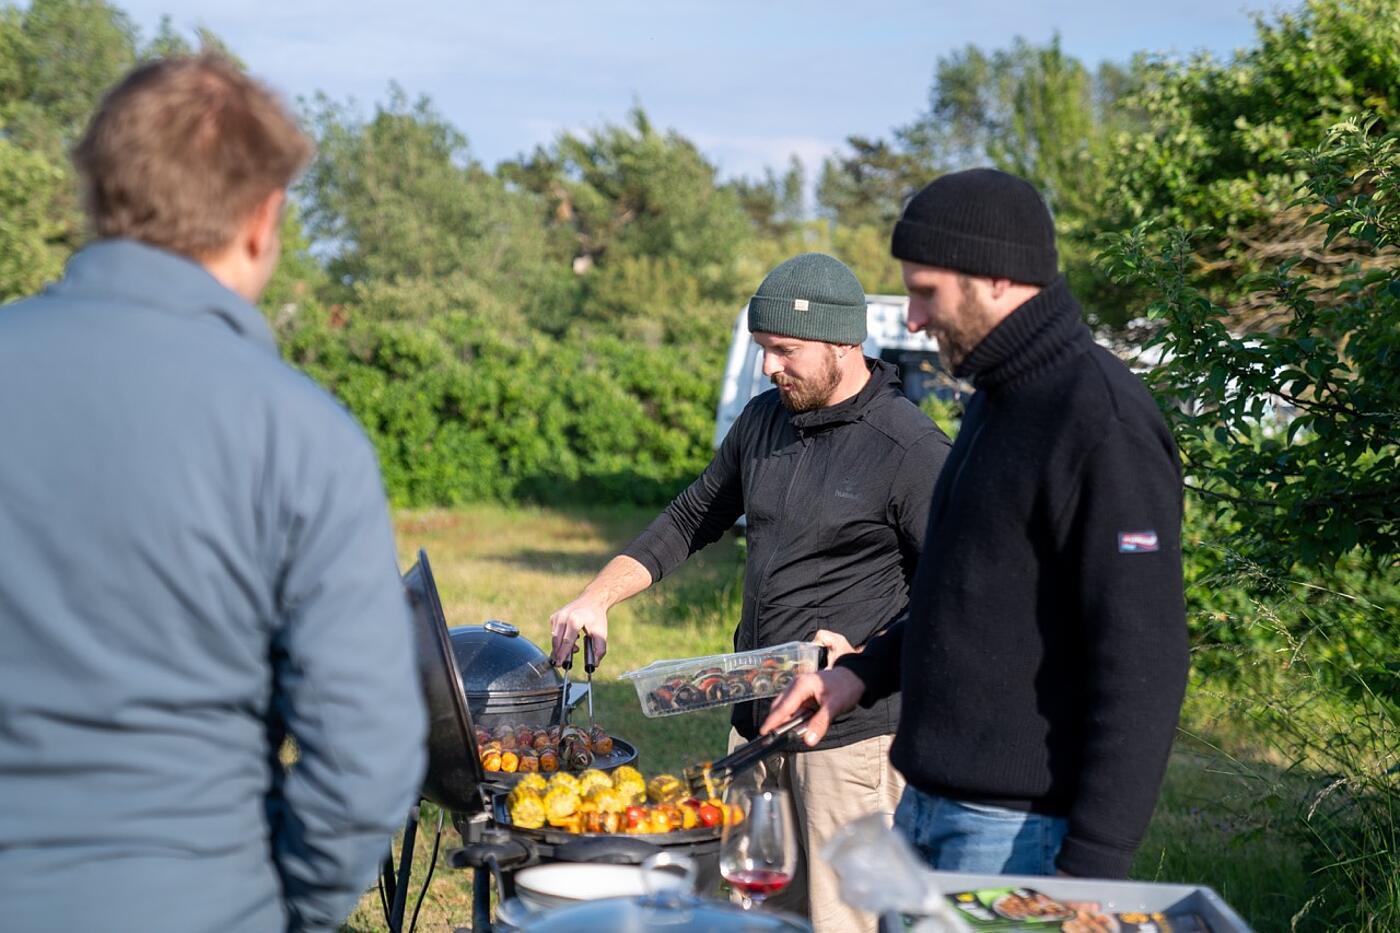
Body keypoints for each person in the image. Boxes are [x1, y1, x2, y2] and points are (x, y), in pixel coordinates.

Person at [0, 55, 426, 932]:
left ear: (99, 196)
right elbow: (367, 757)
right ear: (263, 216)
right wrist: (275, 906)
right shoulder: (303, 435)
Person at [764, 168, 1190, 881]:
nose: (915, 319)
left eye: (927, 291)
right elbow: (963, 595)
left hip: (1023, 831)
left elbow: (1145, 659)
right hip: (928, 807)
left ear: (997, 278)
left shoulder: (1100, 421)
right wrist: (860, 675)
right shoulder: (997, 400)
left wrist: (1093, 865)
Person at [550, 253, 951, 932]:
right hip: (755, 725)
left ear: (842, 342)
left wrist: (867, 656)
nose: (769, 367)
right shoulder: (766, 421)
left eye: (785, 350)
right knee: (744, 918)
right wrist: (597, 596)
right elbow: (687, 519)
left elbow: (954, 588)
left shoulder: (909, 448)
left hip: (848, 749)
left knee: (840, 922)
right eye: (764, 349)